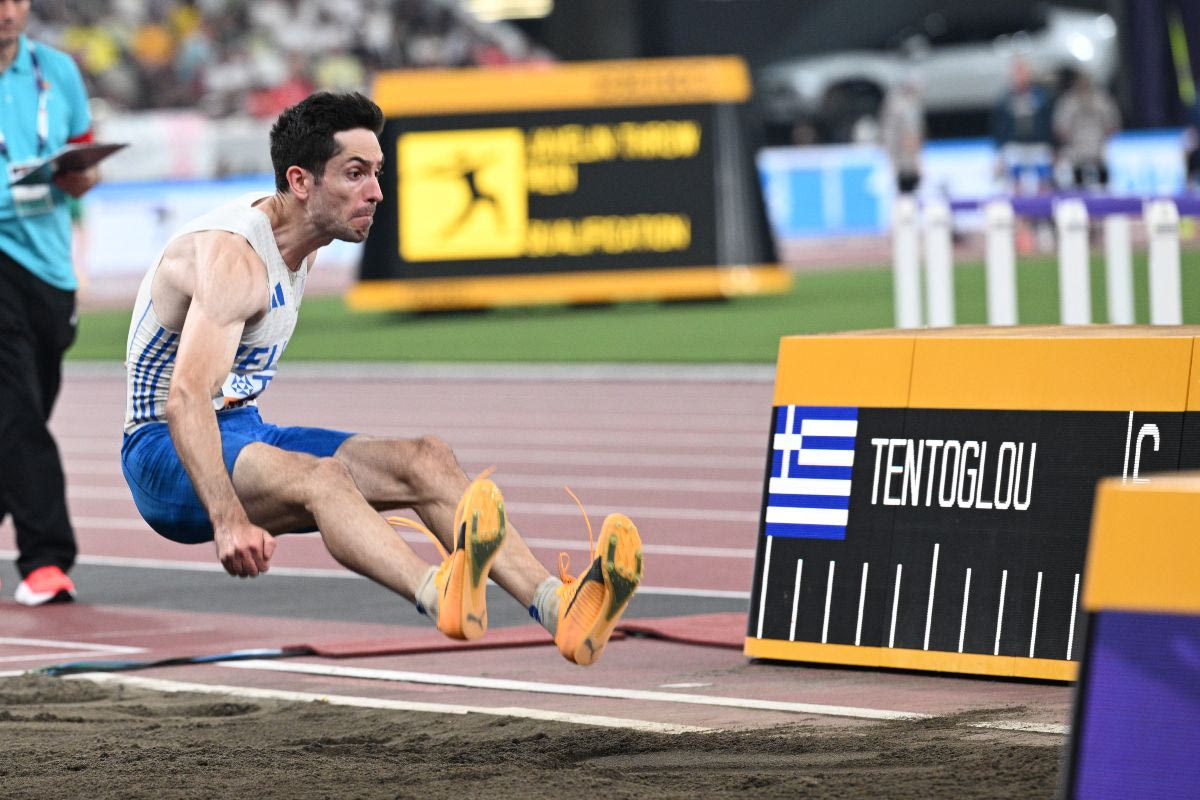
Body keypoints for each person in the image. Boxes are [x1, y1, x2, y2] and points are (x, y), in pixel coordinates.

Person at [119, 92, 643, 666]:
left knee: (427, 460)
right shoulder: (235, 262)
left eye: (377, 173)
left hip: (241, 429)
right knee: (324, 478)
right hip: (164, 450)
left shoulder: (304, 241)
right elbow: (186, 397)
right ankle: (436, 591)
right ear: (300, 181)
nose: (376, 192)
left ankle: (557, 608)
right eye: (355, 174)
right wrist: (228, 521)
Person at [0, 0, 100, 605]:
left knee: (23, 410)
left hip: (48, 265)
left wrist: (82, 174)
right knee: (19, 411)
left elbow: (82, 155)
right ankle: (45, 559)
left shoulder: (55, 71)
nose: (7, 11)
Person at [1052, 70, 1120, 190]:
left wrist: (1104, 139)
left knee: (1106, 163)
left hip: (1098, 145)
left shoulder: (1101, 99)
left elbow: (1113, 123)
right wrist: (1071, 140)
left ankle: (1105, 190)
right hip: (1076, 146)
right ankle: (1078, 190)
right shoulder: (1069, 101)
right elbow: (1060, 126)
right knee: (1071, 164)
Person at [879, 73, 925, 195]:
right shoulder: (906, 107)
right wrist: (917, 163)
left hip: (894, 156)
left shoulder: (892, 103)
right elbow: (910, 136)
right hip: (905, 160)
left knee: (900, 191)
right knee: (908, 192)